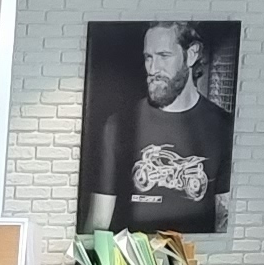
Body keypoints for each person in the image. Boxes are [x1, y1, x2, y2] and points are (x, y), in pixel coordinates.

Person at [85, 23, 234, 232]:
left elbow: (223, 220)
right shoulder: (117, 126)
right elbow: (98, 223)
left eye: (164, 56)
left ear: (191, 55)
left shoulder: (224, 128)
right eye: (148, 57)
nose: (153, 69)